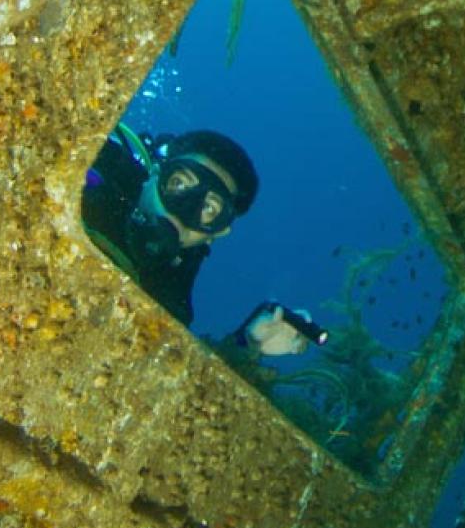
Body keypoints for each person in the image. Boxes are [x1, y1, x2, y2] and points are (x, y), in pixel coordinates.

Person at [81, 123, 312, 356]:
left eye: (209, 209)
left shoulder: (172, 298)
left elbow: (171, 364)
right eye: (179, 183)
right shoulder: (95, 169)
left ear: (216, 233)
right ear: (155, 174)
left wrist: (246, 344)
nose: (182, 211)